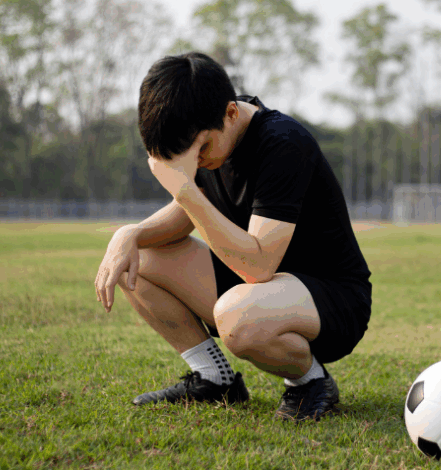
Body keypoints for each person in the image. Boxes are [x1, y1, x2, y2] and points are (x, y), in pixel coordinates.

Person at [93, 52, 372, 422]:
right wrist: (130, 234)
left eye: (201, 151)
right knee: (137, 257)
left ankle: (310, 382)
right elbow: (185, 216)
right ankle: (214, 378)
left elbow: (258, 266)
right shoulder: (207, 134)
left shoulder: (283, 142)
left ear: (230, 113)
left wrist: (184, 189)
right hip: (260, 290)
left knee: (238, 317)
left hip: (331, 298)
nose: (196, 164)